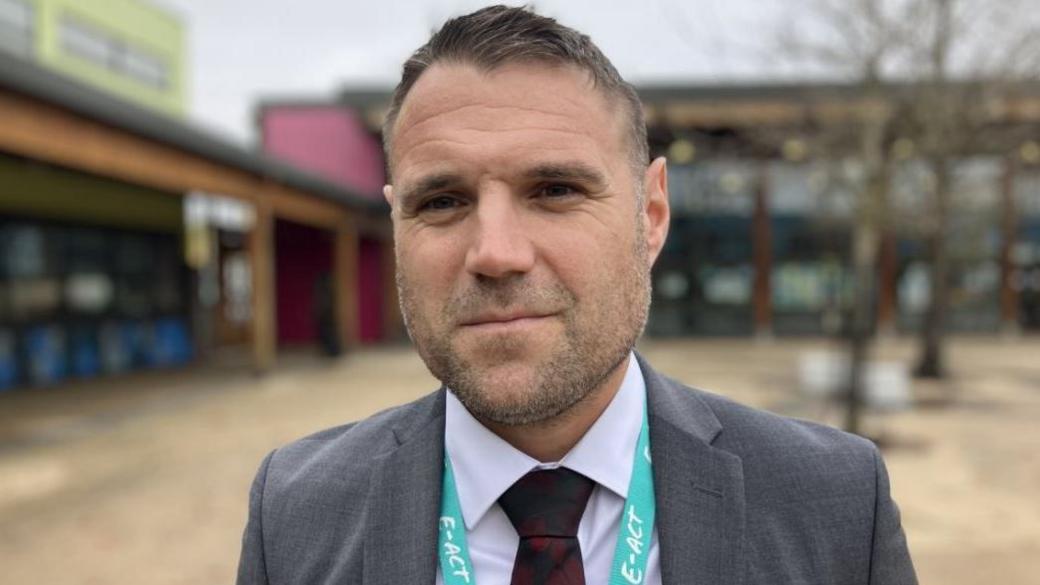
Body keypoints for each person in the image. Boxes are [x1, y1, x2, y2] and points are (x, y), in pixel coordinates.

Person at [235, 6, 917, 584]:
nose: (496, 253)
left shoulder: (837, 506)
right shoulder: (293, 516)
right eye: (442, 201)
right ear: (396, 225)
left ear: (650, 215)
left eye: (555, 190)